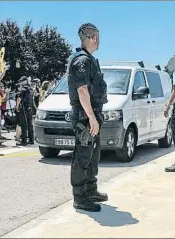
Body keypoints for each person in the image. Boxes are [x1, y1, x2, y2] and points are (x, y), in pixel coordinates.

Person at [67, 23, 108, 212]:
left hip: (92, 115)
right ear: (94, 38)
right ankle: (80, 197)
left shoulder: (90, 60)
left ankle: (91, 189)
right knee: (83, 156)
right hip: (85, 116)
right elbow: (82, 90)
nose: (99, 41)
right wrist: (91, 117)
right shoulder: (82, 60)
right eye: (98, 38)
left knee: (93, 155)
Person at [15, 76, 35, 146]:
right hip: (30, 108)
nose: (20, 82)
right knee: (30, 124)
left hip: (23, 108)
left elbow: (19, 99)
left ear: (25, 81)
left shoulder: (23, 89)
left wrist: (17, 107)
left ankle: (24, 141)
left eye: (21, 81)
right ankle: (31, 140)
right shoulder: (31, 89)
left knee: (24, 125)